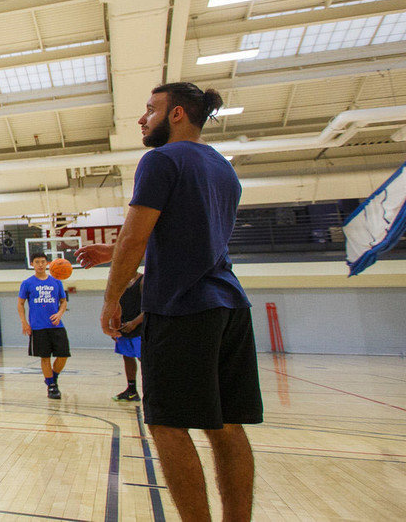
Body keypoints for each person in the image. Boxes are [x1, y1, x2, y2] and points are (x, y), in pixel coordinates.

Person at [95, 82, 261, 522]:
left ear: (177, 115)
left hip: (184, 311)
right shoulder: (223, 168)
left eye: (150, 110)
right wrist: (109, 254)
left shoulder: (161, 159)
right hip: (229, 305)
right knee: (226, 425)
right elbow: (191, 238)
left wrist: (113, 298)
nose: (141, 118)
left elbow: (135, 235)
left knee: (167, 424)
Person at [18, 254, 69, 399]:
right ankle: (52, 387)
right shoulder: (27, 283)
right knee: (45, 357)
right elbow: (20, 303)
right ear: (32, 264)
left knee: (63, 355)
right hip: (38, 326)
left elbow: (63, 301)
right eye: (37, 262)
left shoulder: (57, 281)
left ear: (47, 263)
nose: (40, 264)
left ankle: (52, 378)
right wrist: (24, 322)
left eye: (42, 262)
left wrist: (59, 313)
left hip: (56, 325)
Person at [113, 270, 146, 402]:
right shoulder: (119, 282)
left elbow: (149, 307)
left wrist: (134, 323)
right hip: (124, 327)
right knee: (127, 357)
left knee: (144, 359)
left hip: (139, 326)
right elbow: (114, 305)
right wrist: (113, 325)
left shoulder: (143, 281)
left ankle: (155, 389)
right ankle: (131, 390)